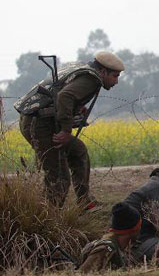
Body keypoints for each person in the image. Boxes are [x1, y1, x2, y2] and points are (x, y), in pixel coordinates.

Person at [14, 51, 124, 208]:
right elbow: (65, 96)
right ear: (103, 71)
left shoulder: (83, 69)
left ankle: (84, 202)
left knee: (78, 150)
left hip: (39, 119)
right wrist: (66, 131)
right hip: (40, 124)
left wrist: (77, 108)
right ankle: (48, 216)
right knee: (59, 175)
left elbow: (63, 93)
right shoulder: (91, 79)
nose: (116, 81)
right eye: (115, 76)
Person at [78, 202, 141, 273]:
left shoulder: (122, 248)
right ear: (133, 229)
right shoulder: (106, 248)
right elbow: (82, 275)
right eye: (140, 225)